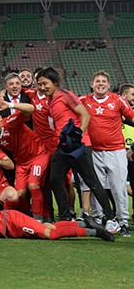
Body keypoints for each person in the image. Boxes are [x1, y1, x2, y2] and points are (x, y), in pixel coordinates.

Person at [36, 67, 120, 233]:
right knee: (54, 179)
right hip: (64, 147)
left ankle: (111, 218)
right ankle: (66, 217)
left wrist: (78, 134)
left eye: (45, 83)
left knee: (91, 181)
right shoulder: (50, 101)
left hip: (79, 145)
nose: (42, 87)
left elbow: (85, 115)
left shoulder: (65, 95)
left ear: (54, 82)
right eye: (39, 84)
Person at [80, 71, 134, 237]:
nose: (100, 83)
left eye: (104, 81)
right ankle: (98, 219)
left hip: (116, 150)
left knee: (119, 188)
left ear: (109, 85)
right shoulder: (84, 100)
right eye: (97, 81)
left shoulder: (118, 100)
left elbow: (131, 117)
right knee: (97, 187)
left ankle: (123, 222)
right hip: (94, 151)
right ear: (92, 84)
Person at [0, 106, 51, 222]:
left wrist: (10, 105)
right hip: (21, 163)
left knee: (33, 185)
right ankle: (24, 220)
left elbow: (30, 109)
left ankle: (38, 221)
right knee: (20, 194)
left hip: (38, 155)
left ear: (0, 118)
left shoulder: (11, 122)